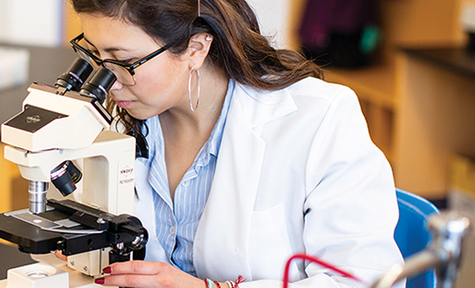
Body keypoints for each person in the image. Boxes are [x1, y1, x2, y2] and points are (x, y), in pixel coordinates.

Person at [66, 0, 404, 287]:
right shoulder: (117, 115)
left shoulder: (319, 119)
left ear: (196, 48)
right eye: (94, 53)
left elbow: (364, 279)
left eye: (123, 61)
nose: (108, 82)